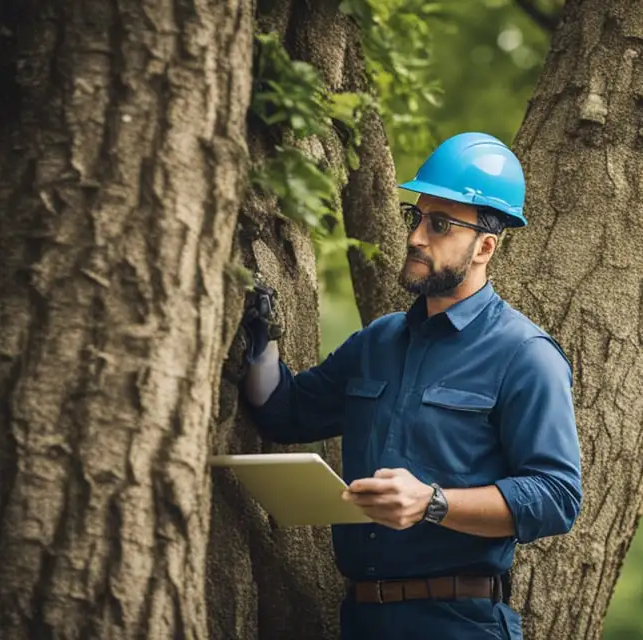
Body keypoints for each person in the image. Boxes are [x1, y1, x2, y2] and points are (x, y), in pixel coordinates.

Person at [239, 131, 582, 640]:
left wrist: (433, 502)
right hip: (361, 621)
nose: (417, 236)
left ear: (485, 246)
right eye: (415, 217)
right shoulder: (378, 342)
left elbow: (557, 497)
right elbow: (285, 413)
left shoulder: (525, 355)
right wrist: (259, 338)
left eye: (440, 224)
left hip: (460, 625)